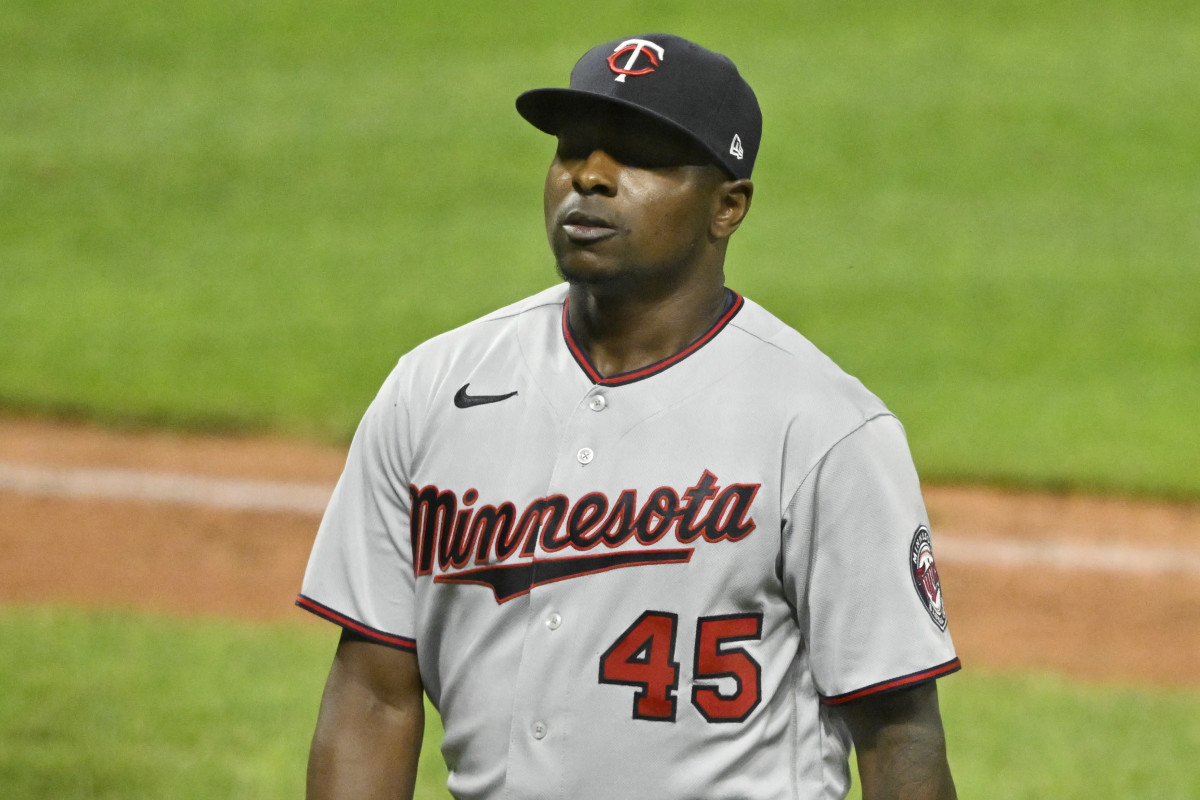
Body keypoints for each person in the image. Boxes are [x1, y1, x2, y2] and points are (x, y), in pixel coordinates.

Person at [297, 33, 960, 800]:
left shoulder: (822, 428)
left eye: (640, 156)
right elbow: (373, 695)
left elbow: (901, 735)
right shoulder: (434, 388)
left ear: (728, 207)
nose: (591, 177)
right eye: (574, 149)